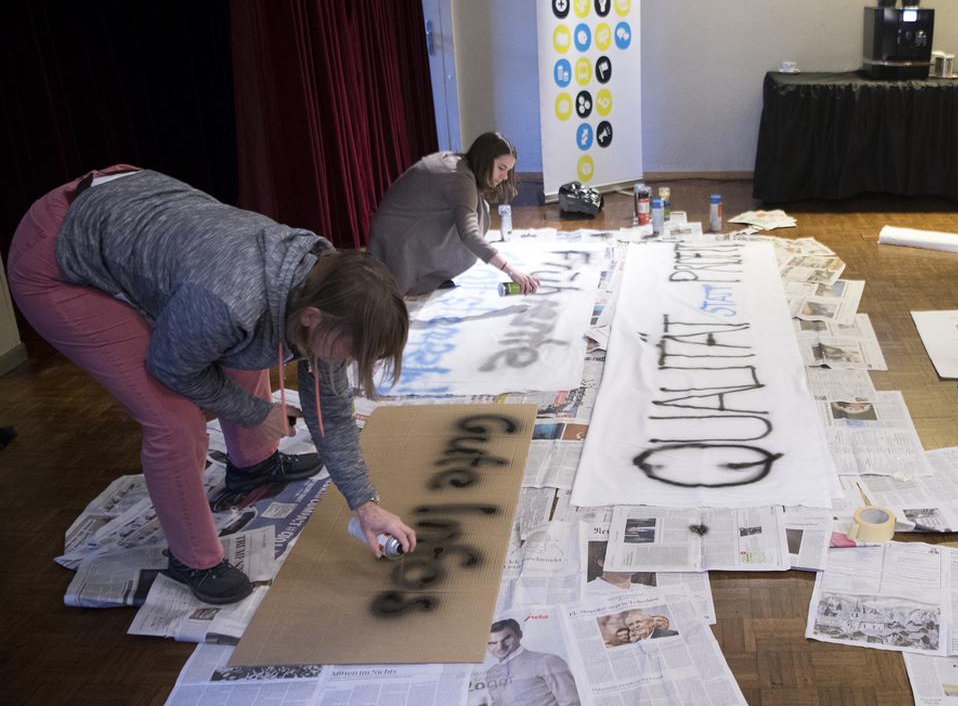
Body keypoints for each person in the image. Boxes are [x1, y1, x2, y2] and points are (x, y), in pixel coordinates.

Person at [7, 167, 418, 604]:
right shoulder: (230, 300)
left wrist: (366, 505)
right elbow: (171, 368)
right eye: (352, 350)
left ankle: (253, 464)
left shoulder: (327, 290)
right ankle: (191, 558)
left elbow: (331, 413)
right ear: (313, 318)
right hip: (55, 250)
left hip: (134, 209)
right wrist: (257, 413)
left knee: (252, 345)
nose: (350, 361)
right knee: (173, 418)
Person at [369, 131, 542, 296]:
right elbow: (469, 234)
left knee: (481, 209)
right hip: (393, 238)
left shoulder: (461, 165)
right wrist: (511, 272)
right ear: (485, 159)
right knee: (476, 220)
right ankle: (423, 276)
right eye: (501, 168)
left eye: (508, 171)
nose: (504, 177)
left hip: (396, 227)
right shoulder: (461, 180)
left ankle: (432, 275)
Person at [483, 619, 581, 706]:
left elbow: (572, 702)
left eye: (507, 639)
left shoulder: (547, 661)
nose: (500, 647)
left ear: (519, 634)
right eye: (492, 643)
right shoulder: (491, 673)